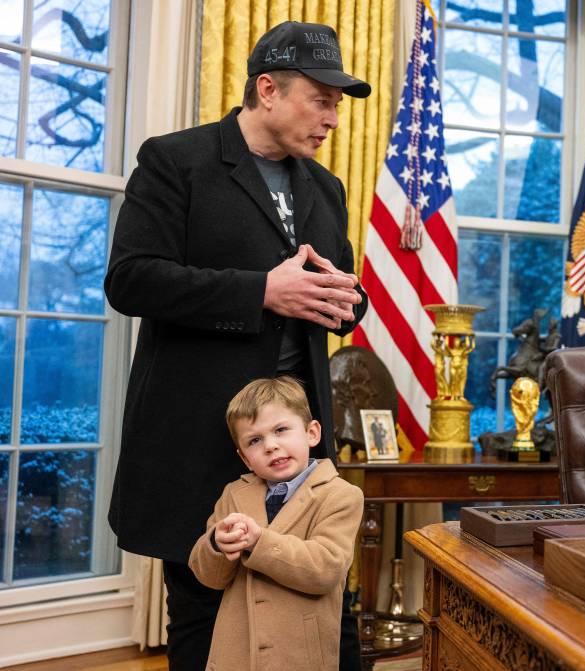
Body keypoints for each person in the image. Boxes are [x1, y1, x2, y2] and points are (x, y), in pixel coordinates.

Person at [104, 21, 369, 671]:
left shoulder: (325, 189)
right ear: (268, 89)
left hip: (297, 454)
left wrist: (346, 300)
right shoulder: (175, 160)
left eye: (338, 103)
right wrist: (259, 292)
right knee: (204, 617)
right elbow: (131, 278)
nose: (333, 118)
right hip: (197, 445)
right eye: (323, 98)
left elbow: (338, 298)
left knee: (318, 612)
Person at [189, 377, 363, 670]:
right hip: (235, 658)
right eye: (255, 440)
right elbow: (209, 576)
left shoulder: (341, 496)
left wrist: (259, 542)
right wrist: (216, 545)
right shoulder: (234, 494)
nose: (271, 446)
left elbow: (325, 568)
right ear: (245, 458)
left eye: (281, 430)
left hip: (299, 658)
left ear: (311, 433)